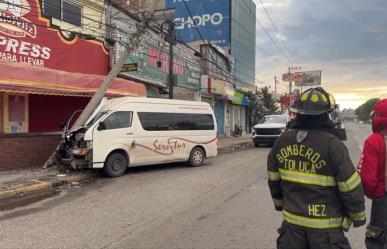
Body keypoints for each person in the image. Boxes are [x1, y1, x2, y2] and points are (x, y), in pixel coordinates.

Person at [267, 87, 366, 249]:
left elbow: (273, 179)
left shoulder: (282, 140)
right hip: (325, 233)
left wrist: (280, 204)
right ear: (326, 114)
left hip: (291, 229)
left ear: (297, 113)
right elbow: (350, 186)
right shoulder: (332, 144)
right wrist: (357, 216)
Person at [357, 99, 387, 249]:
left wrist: (374, 194)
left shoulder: (374, 141)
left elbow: (368, 178)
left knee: (376, 237)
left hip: (382, 200)